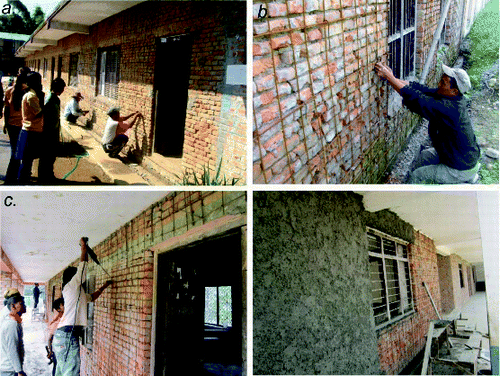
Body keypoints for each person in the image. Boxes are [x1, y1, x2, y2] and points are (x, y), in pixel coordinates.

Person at [374, 62, 480, 184]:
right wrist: (392, 78)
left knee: (417, 175)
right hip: (456, 154)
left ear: (454, 91)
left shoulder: (450, 108)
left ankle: (405, 198)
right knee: (424, 156)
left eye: (443, 83)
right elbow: (422, 90)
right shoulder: (450, 96)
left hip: (461, 166)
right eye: (441, 80)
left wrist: (389, 78)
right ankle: (408, 185)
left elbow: (418, 99)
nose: (439, 84)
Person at [53, 237, 112, 376]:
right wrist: (84, 248)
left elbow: (92, 297)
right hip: (67, 336)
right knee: (71, 373)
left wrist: (105, 286)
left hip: (63, 336)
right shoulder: (70, 286)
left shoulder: (76, 293)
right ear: (72, 278)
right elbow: (82, 269)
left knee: (62, 372)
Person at [16, 71, 45, 185]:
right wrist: (43, 102)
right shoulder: (31, 96)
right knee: (27, 160)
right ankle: (22, 184)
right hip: (30, 131)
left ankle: (24, 180)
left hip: (31, 130)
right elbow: (39, 113)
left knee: (28, 160)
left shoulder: (31, 94)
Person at [3, 67, 31, 185]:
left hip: (11, 125)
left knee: (15, 151)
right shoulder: (28, 92)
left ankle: (11, 177)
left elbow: (7, 109)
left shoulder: (9, 90)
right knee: (20, 152)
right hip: (22, 126)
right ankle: (13, 178)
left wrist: (5, 123)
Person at [39, 78, 66, 184]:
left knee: (51, 155)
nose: (63, 90)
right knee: (47, 155)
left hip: (53, 131)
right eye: (62, 87)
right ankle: (44, 177)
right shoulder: (50, 99)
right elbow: (46, 116)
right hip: (48, 132)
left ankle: (49, 174)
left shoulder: (55, 98)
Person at [0, 288, 27, 376]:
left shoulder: (4, 315)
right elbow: (12, 348)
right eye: (21, 303)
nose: (24, 306)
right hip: (9, 369)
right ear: (13, 306)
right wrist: (19, 371)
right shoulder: (11, 323)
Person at [47, 298, 64, 376]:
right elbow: (50, 338)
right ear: (59, 309)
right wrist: (50, 351)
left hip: (62, 351)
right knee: (58, 369)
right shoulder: (57, 322)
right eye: (63, 305)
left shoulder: (62, 318)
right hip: (58, 351)